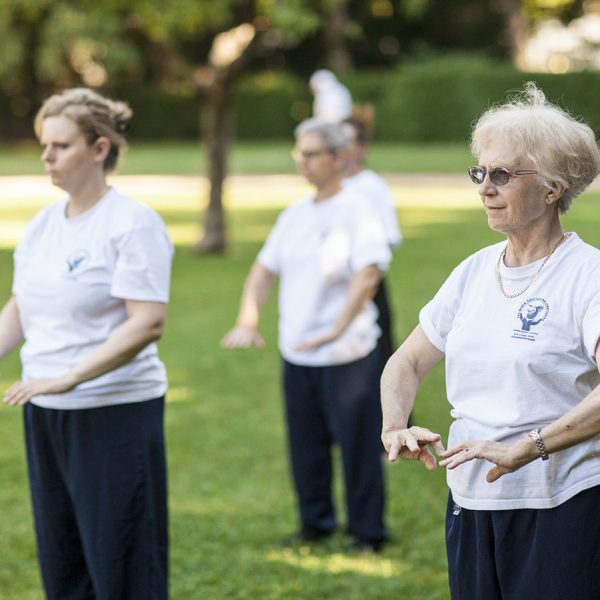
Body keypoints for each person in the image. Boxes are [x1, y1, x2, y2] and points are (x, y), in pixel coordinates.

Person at [381, 82, 600, 599]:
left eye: (502, 175)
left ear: (552, 189)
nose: (484, 187)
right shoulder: (473, 272)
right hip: (470, 500)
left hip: (561, 504)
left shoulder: (587, 275)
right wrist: (395, 425)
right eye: (479, 172)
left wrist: (528, 449)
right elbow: (407, 361)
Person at [2, 88, 173, 599]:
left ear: (99, 149)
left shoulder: (132, 223)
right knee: (63, 557)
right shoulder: (41, 226)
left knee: (122, 561)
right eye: (43, 145)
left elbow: (147, 323)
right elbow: (20, 309)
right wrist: (51, 384)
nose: (46, 157)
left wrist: (72, 376)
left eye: (60, 145)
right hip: (46, 408)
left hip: (113, 411)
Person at [222, 119, 391, 552]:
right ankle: (315, 524)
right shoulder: (295, 214)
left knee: (357, 448)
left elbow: (369, 272)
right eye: (299, 152)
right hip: (298, 354)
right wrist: (247, 319)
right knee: (306, 447)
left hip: (347, 354)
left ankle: (367, 532)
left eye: (312, 153)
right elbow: (263, 268)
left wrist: (336, 328)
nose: (302, 161)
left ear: (339, 158)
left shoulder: (357, 209)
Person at [342, 116, 402, 368]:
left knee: (379, 354)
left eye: (346, 141)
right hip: (337, 283)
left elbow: (389, 237)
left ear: (362, 147)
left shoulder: (372, 186)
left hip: (368, 282)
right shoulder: (331, 185)